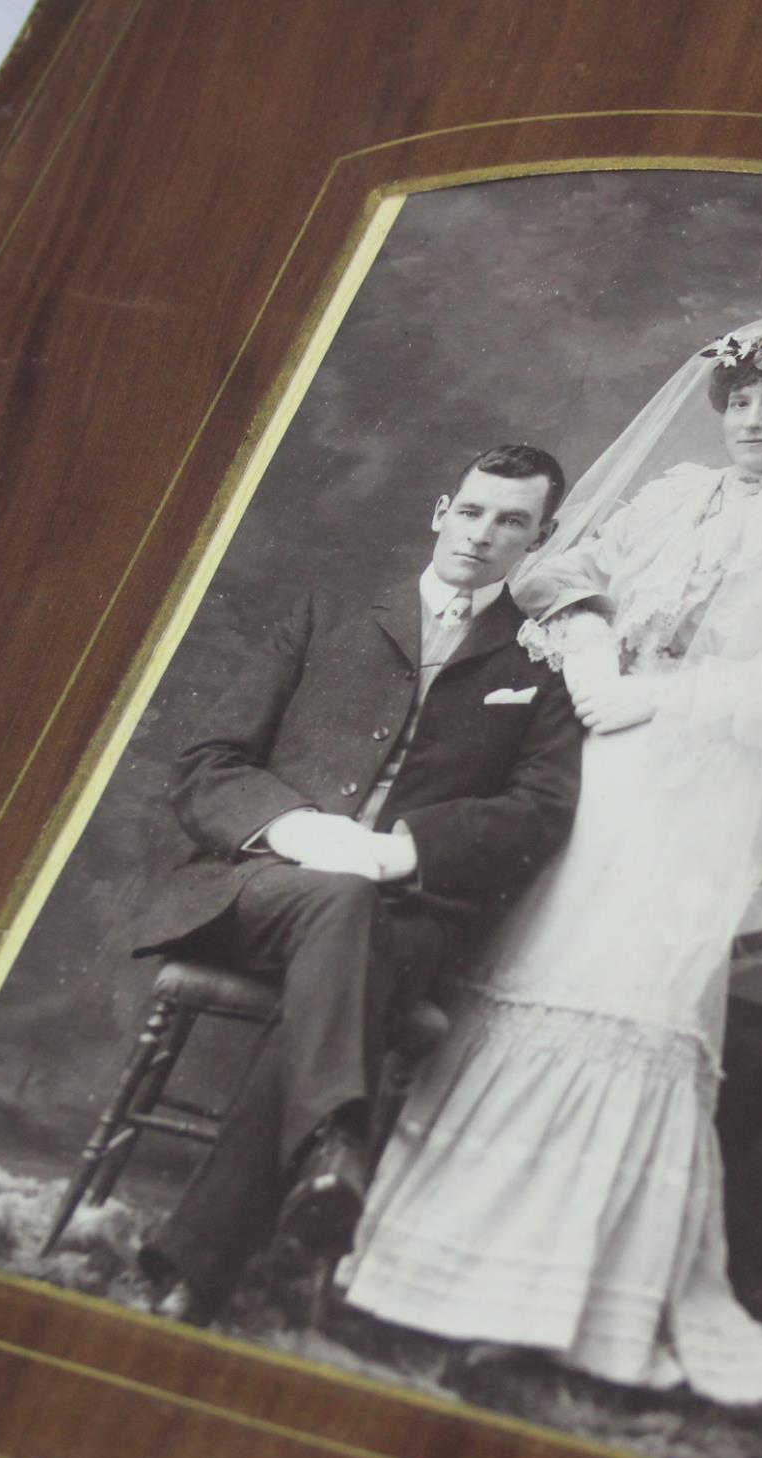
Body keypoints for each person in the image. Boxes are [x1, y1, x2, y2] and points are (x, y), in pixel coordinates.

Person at [339, 310, 762, 1407]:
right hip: (602, 768)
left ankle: (554, 1312)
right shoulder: (677, 493)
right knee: (524, 982)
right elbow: (553, 571)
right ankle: (423, 1277)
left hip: (707, 790)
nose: (755, 419)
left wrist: (665, 696)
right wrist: (591, 645)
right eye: (742, 399)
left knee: (624, 1001)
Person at [131, 444, 588, 1324]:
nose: (483, 535)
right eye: (472, 512)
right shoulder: (328, 610)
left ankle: (192, 1273)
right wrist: (305, 834)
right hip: (257, 886)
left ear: (543, 535)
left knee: (354, 943)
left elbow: (540, 811)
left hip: (402, 906)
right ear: (441, 510)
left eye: (512, 522)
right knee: (344, 914)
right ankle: (333, 1139)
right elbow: (207, 766)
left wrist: (397, 851)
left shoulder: (539, 665)